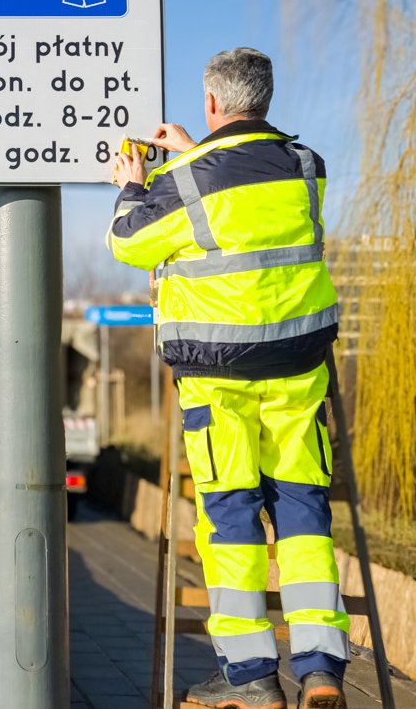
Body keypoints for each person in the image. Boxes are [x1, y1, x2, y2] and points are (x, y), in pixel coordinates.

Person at [107, 48, 350, 709]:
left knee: (231, 517)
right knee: (303, 511)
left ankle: (250, 678)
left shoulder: (185, 179)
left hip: (217, 377)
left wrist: (136, 181)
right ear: (264, 99)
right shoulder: (307, 169)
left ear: (212, 104)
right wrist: (195, 151)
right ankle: (323, 667)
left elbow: (129, 240)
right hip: (298, 367)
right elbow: (246, 211)